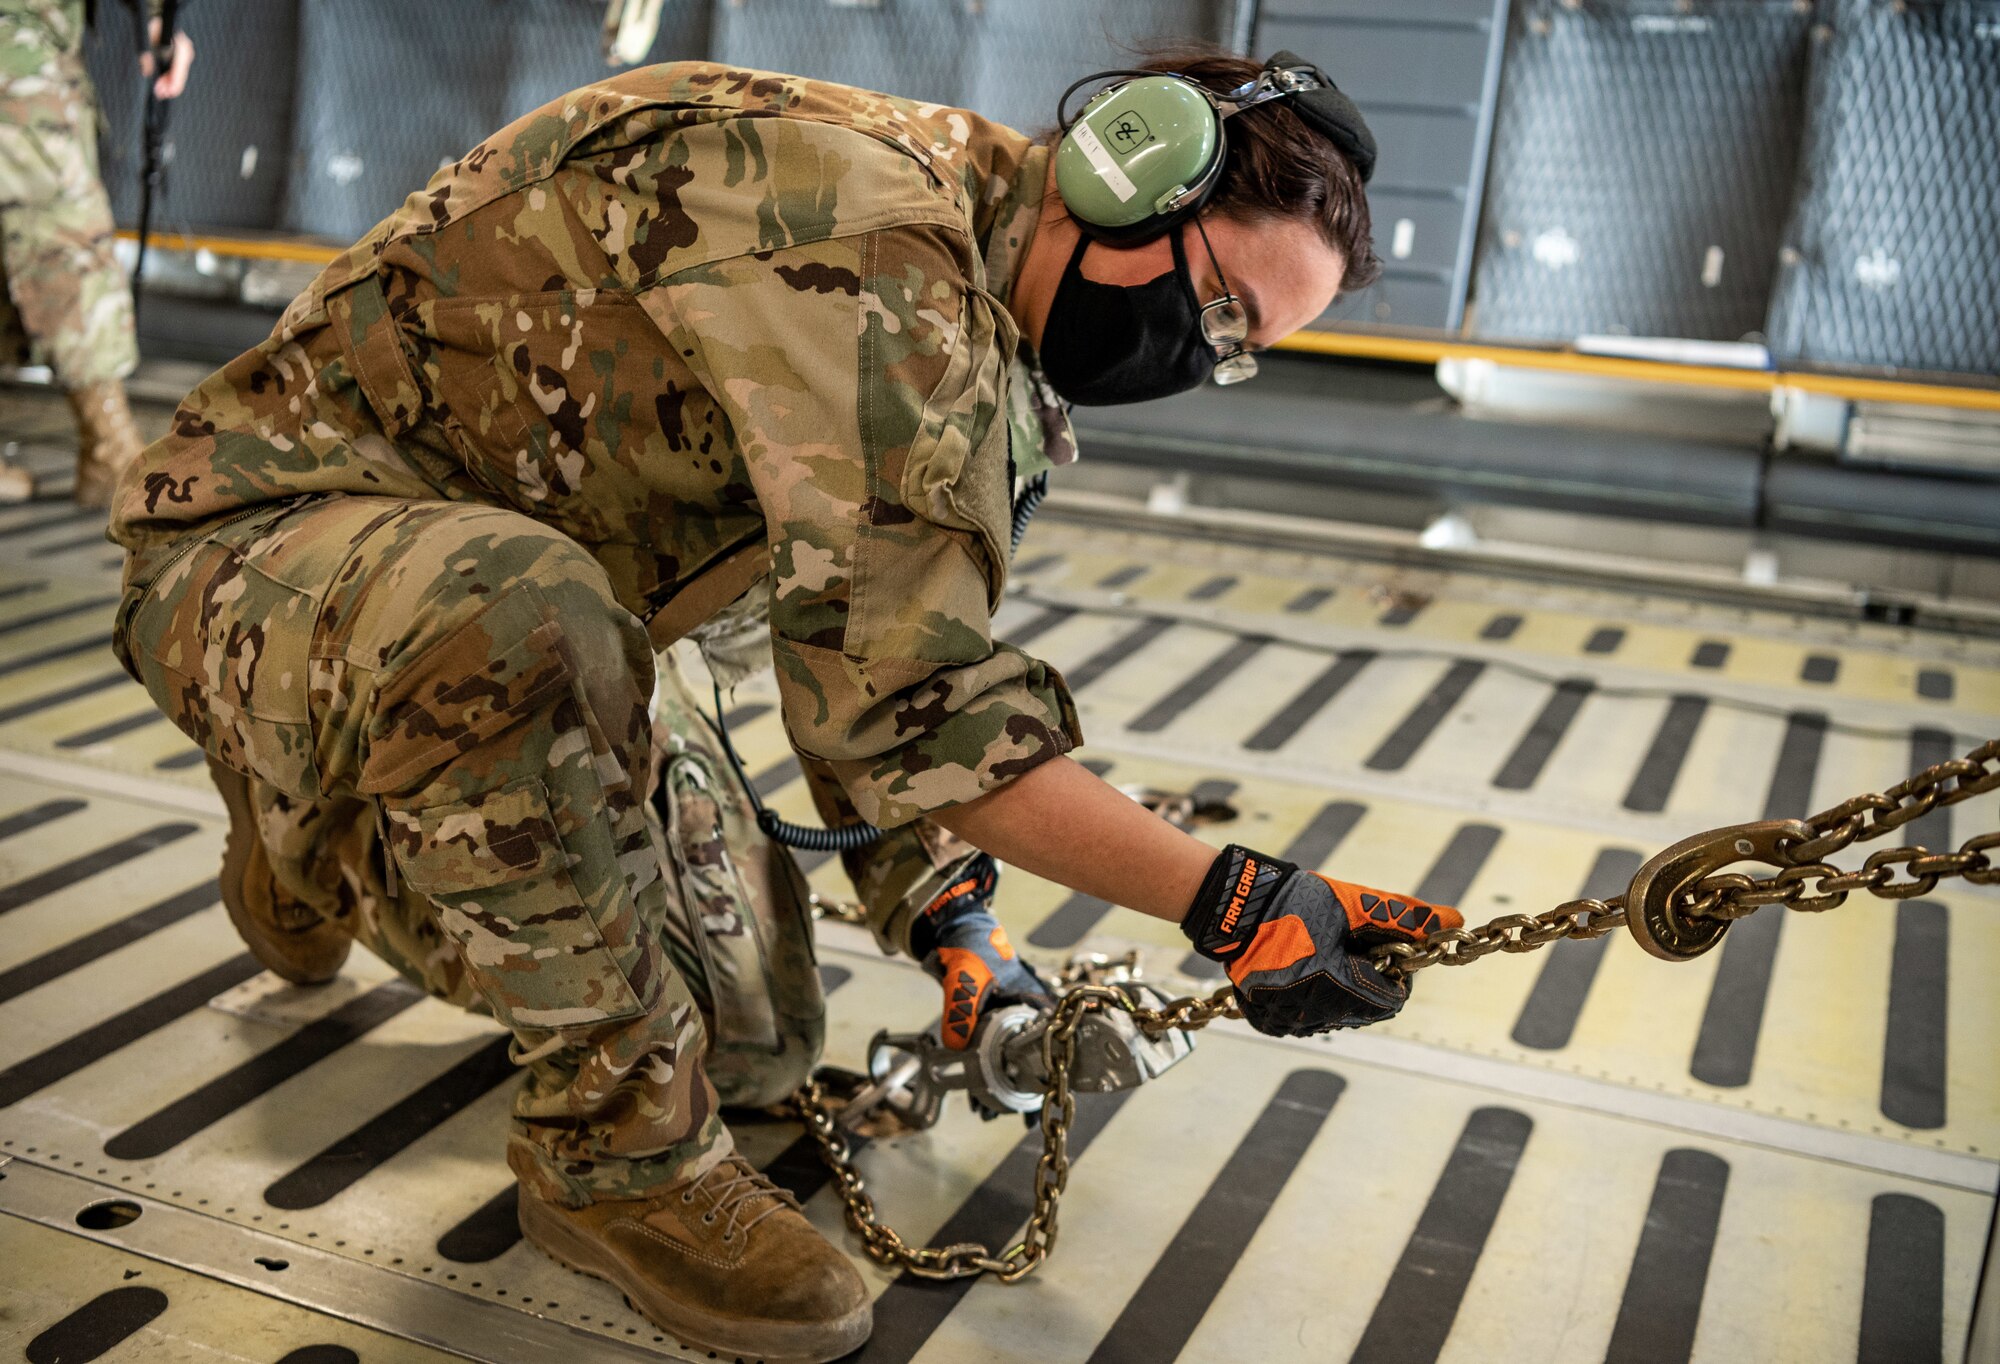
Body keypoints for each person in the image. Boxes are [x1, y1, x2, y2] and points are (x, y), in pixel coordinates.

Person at [108, 45, 1462, 1362]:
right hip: (255, 557)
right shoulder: (874, 245)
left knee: (754, 1044)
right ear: (1132, 176)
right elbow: (914, 706)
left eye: (1235, 354)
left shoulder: (968, 294)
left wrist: (950, 921)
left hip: (452, 614)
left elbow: (858, 630)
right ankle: (608, 1160)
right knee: (519, 620)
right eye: (1221, 308)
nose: (1196, 356)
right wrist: (1231, 900)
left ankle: (322, 821)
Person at [0, 0, 192, 505]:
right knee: (66, 237)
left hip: (33, 44)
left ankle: (108, 453)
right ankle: (110, 451)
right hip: (15, 51)